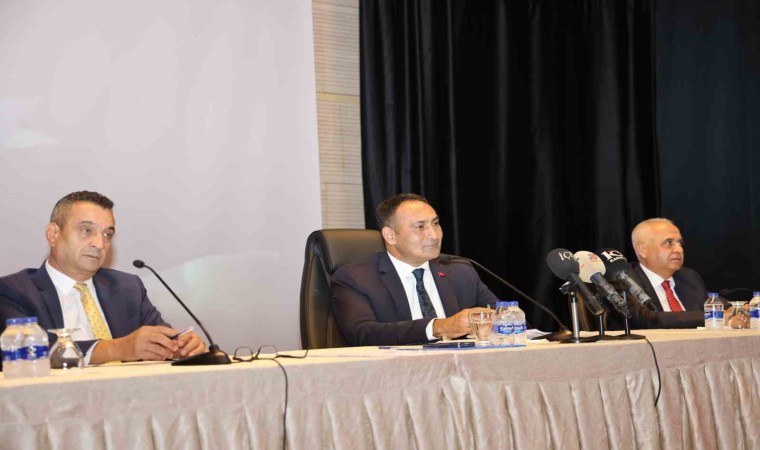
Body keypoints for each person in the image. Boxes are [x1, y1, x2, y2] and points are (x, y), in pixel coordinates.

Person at [0, 191, 206, 366]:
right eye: (86, 231)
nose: (99, 244)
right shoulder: (13, 291)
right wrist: (117, 349)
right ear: (53, 234)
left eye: (107, 235)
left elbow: (161, 341)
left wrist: (180, 347)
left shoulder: (128, 288)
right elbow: (24, 352)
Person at [331, 193, 498, 346]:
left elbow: (500, 316)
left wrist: (500, 320)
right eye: (420, 227)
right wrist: (439, 327)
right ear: (390, 236)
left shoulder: (460, 271)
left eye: (435, 224)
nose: (434, 235)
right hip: (395, 367)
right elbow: (363, 333)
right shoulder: (356, 278)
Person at [612, 218, 707, 329]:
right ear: (643, 250)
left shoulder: (689, 277)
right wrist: (710, 316)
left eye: (680, 243)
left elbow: (714, 304)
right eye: (668, 243)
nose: (679, 249)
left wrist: (723, 312)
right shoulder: (624, 280)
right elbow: (649, 319)